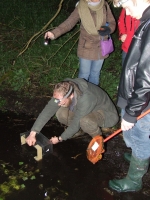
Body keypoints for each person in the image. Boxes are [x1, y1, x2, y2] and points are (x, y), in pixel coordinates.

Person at [109, 0, 150, 193]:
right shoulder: (145, 20)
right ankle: (137, 155)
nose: (126, 12)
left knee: (142, 135)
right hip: (137, 95)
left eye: (126, 6)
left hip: (144, 101)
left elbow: (147, 78)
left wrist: (132, 112)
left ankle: (134, 181)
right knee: (135, 134)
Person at [26, 78, 119, 146]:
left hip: (106, 114)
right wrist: (33, 133)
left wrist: (60, 138)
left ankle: (99, 142)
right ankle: (80, 130)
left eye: (60, 101)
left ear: (70, 96)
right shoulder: (63, 89)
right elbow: (48, 110)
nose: (58, 103)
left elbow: (76, 122)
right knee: (61, 113)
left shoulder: (86, 98)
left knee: (85, 121)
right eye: (56, 101)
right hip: (84, 109)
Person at [44, 0, 116, 85]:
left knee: (95, 74)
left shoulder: (104, 5)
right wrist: (54, 33)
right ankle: (81, 96)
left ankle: (93, 96)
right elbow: (69, 23)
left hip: (101, 46)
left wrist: (109, 29)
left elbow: (112, 22)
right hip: (86, 46)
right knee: (84, 76)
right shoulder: (81, 6)